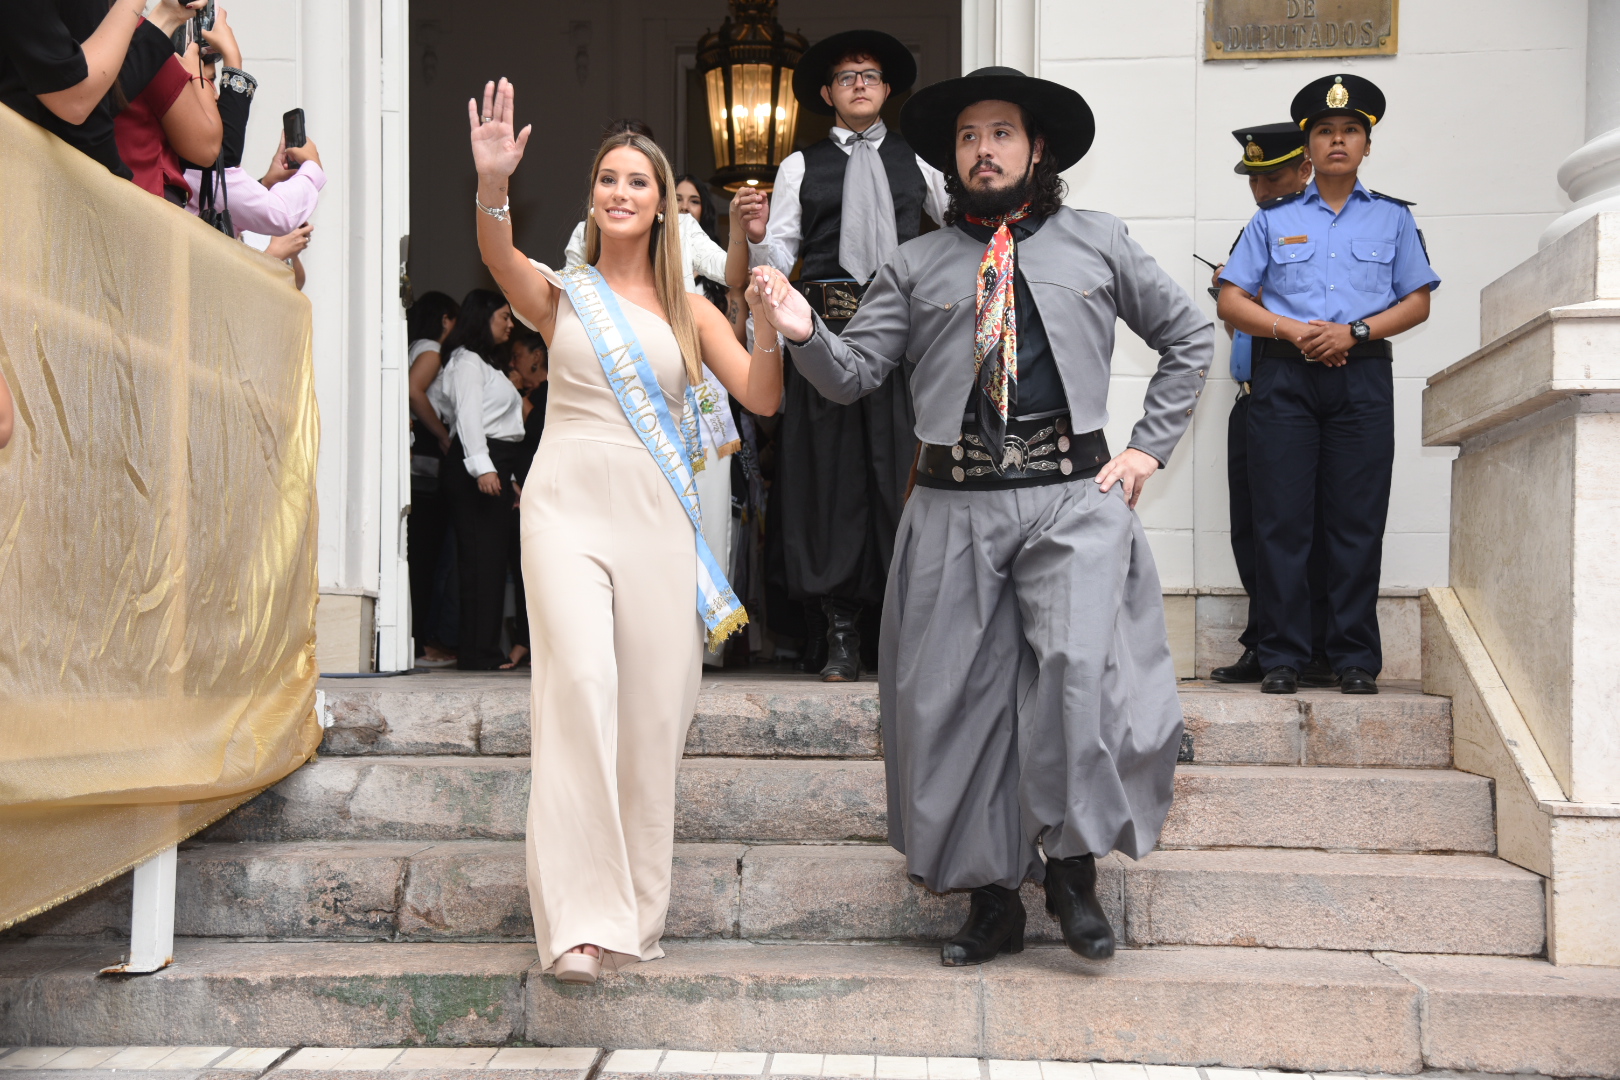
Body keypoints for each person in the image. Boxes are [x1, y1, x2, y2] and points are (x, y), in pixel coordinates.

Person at [748, 66, 1213, 966]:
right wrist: (804, 328)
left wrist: (1147, 449)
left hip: (1071, 497)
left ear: (1037, 150)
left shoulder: (1098, 239)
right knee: (955, 703)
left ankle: (1071, 872)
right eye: (968, 138)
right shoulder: (914, 264)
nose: (983, 151)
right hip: (953, 506)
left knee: (1079, 676)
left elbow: (1189, 337)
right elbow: (852, 376)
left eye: (1001, 133)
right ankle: (993, 897)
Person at [467, 77, 782, 984]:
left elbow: (762, 397)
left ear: (661, 202)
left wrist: (766, 321)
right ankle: (576, 920)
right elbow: (498, 255)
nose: (620, 191)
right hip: (564, 507)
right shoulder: (563, 295)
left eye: (638, 181)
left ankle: (634, 913)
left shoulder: (691, 309)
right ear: (592, 196)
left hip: (656, 520)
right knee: (580, 686)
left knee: (651, 714)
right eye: (608, 178)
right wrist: (493, 182)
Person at [735, 30, 949, 682]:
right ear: (827, 93)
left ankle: (897, 626)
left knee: (901, 477)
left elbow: (962, 230)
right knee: (827, 483)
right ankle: (839, 630)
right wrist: (756, 238)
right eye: (847, 76)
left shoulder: (923, 160)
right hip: (822, 338)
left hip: (901, 342)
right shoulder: (799, 166)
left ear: (887, 90)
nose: (860, 84)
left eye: (871, 75)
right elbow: (777, 259)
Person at [1217, 74, 1439, 696]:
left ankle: (1353, 658)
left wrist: (1355, 332)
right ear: (1308, 147)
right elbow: (1232, 299)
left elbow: (1417, 301)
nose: (1337, 141)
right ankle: (1282, 656)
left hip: (1360, 376)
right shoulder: (1272, 220)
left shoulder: (1393, 219)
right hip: (1284, 378)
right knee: (1281, 521)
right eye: (1324, 131)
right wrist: (1291, 330)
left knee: (1355, 521)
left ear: (1366, 144)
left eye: (1349, 131)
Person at [1206, 122, 1334, 687]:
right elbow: (1235, 322)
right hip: (1252, 395)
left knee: (1309, 529)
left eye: (1273, 178)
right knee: (1254, 529)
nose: (1261, 191)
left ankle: (1315, 648)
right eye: (1254, 181)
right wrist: (1231, 298)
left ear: (1305, 170)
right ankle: (1266, 642)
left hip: (1300, 396)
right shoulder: (1256, 231)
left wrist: (1260, 303)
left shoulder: (1322, 229)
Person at [426, 288, 521, 671]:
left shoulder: (484, 363)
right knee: (481, 561)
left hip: (492, 462)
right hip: (477, 465)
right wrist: (483, 467)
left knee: (490, 561)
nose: (511, 325)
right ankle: (477, 653)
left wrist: (505, 474)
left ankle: (482, 650)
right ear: (484, 318)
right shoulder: (466, 361)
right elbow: (467, 416)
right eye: (504, 317)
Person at [0, 0, 200, 179]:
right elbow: (74, 99)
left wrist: (168, 16)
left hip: (69, 174)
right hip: (32, 175)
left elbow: (94, 99)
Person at [406, 290, 461, 668]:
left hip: (417, 455)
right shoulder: (432, 350)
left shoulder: (413, 346)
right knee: (426, 554)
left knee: (419, 553)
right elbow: (414, 391)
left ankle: (418, 640)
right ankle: (419, 644)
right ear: (445, 320)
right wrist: (442, 435)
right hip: (426, 458)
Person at [112, 29, 222, 202]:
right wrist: (198, 74)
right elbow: (208, 149)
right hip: (148, 198)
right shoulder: (148, 45)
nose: (215, 94)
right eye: (210, 82)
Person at [501, 326, 550, 671]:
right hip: (521, 493)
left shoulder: (552, 390)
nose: (513, 363)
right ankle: (524, 640)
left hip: (547, 493)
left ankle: (538, 644)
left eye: (517, 355)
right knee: (523, 569)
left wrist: (517, 394)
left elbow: (538, 429)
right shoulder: (530, 393)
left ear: (536, 356)